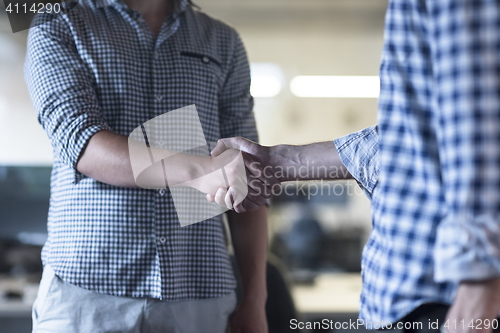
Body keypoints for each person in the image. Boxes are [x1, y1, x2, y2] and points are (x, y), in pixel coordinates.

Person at [210, 0, 500, 331]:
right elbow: (409, 140)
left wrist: (478, 292)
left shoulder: (219, 42)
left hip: (444, 303)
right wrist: (280, 162)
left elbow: (479, 124)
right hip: (414, 301)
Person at [24, 0, 272, 332]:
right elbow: (83, 144)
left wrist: (255, 300)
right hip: (89, 289)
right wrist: (200, 172)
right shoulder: (59, 21)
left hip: (197, 288)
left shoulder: (222, 40)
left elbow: (245, 176)